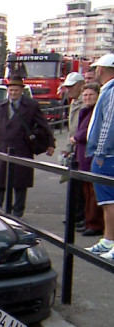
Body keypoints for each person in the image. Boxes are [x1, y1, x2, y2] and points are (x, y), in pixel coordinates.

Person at [0, 76, 56, 218]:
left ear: (21, 91)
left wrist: (50, 143)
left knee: (20, 184)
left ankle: (17, 215)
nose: (13, 93)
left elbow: (43, 124)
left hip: (22, 148)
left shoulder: (31, 105)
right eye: (11, 90)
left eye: (16, 90)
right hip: (2, 149)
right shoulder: (1, 105)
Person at [84, 53, 114, 259]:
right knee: (106, 201)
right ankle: (108, 240)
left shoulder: (111, 91)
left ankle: (111, 241)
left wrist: (100, 154)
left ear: (101, 69)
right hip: (108, 155)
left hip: (108, 156)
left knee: (109, 201)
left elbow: (109, 125)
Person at [70, 83, 104, 237]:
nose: (87, 98)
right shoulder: (87, 111)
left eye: (90, 95)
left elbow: (91, 131)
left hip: (91, 157)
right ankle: (89, 220)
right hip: (83, 157)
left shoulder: (96, 111)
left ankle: (94, 223)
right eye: (85, 95)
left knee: (92, 193)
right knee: (87, 193)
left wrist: (76, 137)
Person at [60, 72, 87, 225]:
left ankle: (80, 216)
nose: (68, 90)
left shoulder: (85, 101)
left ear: (80, 85)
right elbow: (72, 128)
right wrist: (68, 147)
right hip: (75, 146)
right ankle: (76, 215)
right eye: (67, 87)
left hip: (82, 146)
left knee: (82, 185)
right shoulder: (75, 102)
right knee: (74, 184)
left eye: (71, 86)